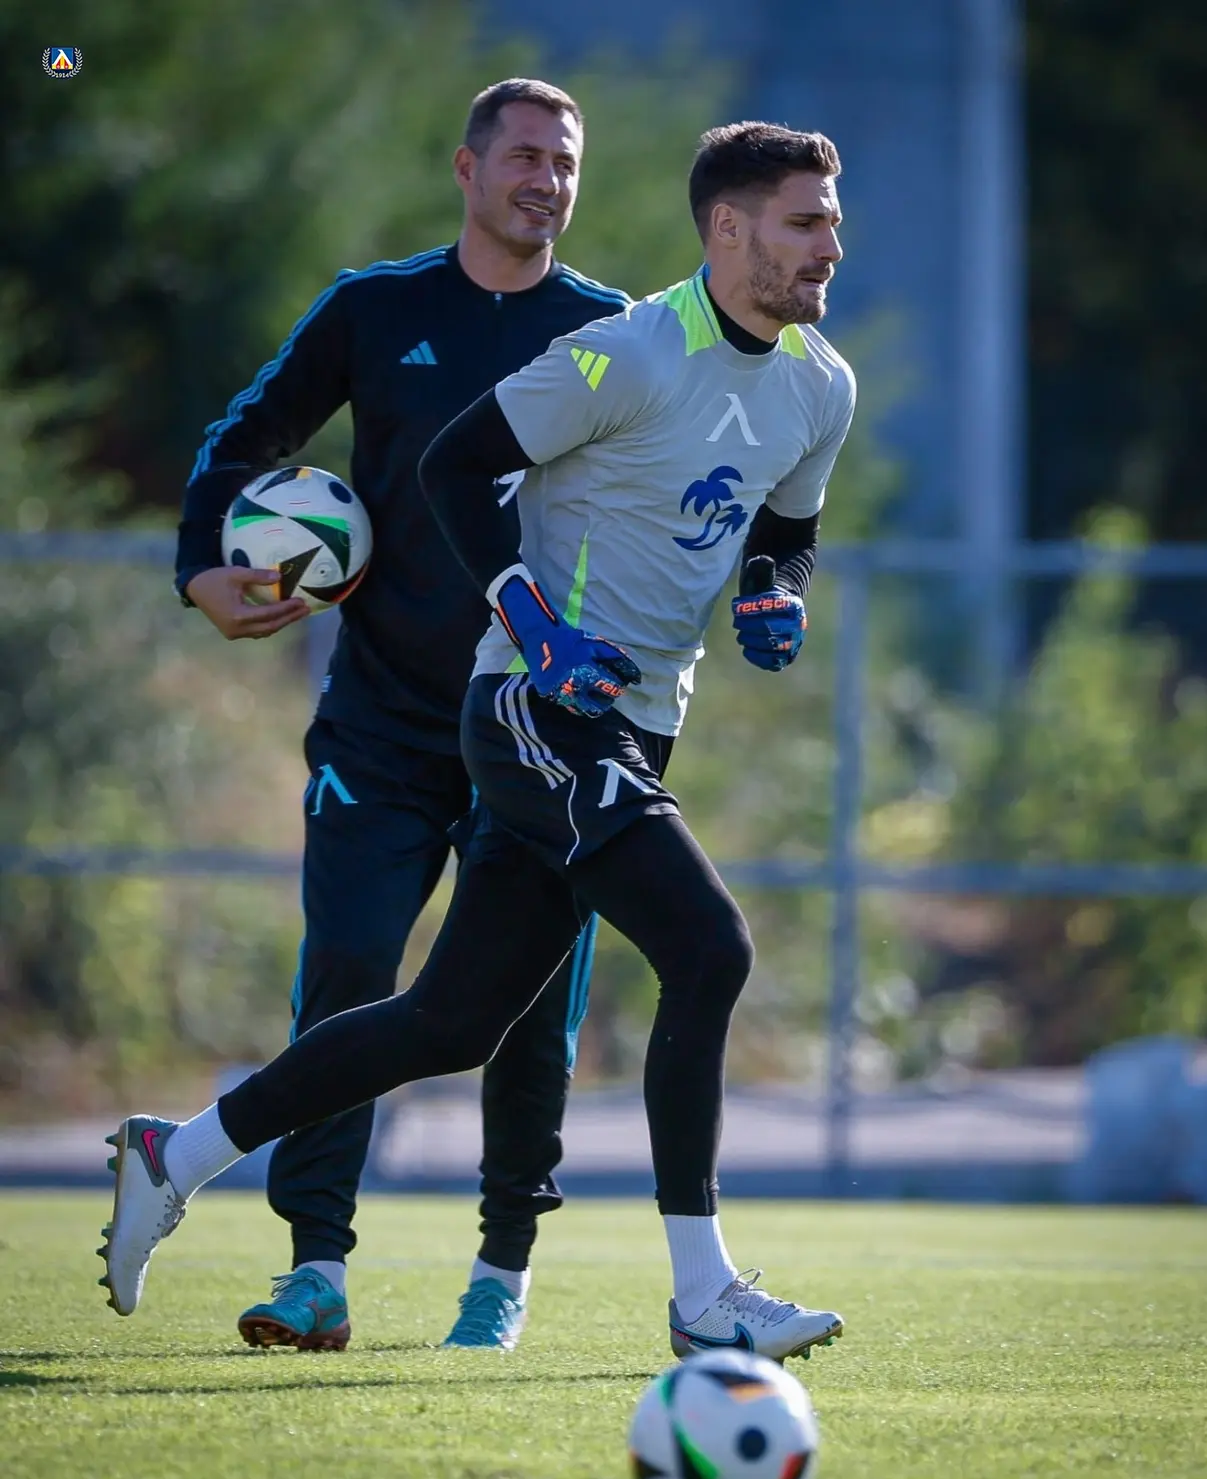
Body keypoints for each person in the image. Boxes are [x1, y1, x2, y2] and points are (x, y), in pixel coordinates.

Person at [101, 119, 855, 1363]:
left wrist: (775, 592)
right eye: (804, 221)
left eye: (831, 220)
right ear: (727, 228)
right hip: (531, 710)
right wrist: (531, 622)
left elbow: (784, 527)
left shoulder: (820, 384)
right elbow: (455, 468)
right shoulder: (622, 351)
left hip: (638, 726)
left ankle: (172, 1154)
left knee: (452, 1022)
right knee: (709, 948)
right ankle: (703, 1293)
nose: (829, 245)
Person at [170, 78, 629, 1352]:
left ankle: (500, 1276)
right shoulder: (375, 310)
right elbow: (241, 437)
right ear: (467, 170)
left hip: (535, 730)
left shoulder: (610, 333)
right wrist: (202, 567)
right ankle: (314, 1269)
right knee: (351, 970)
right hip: (380, 723)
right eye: (524, 155)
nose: (546, 179)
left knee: (528, 1010)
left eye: (564, 161)